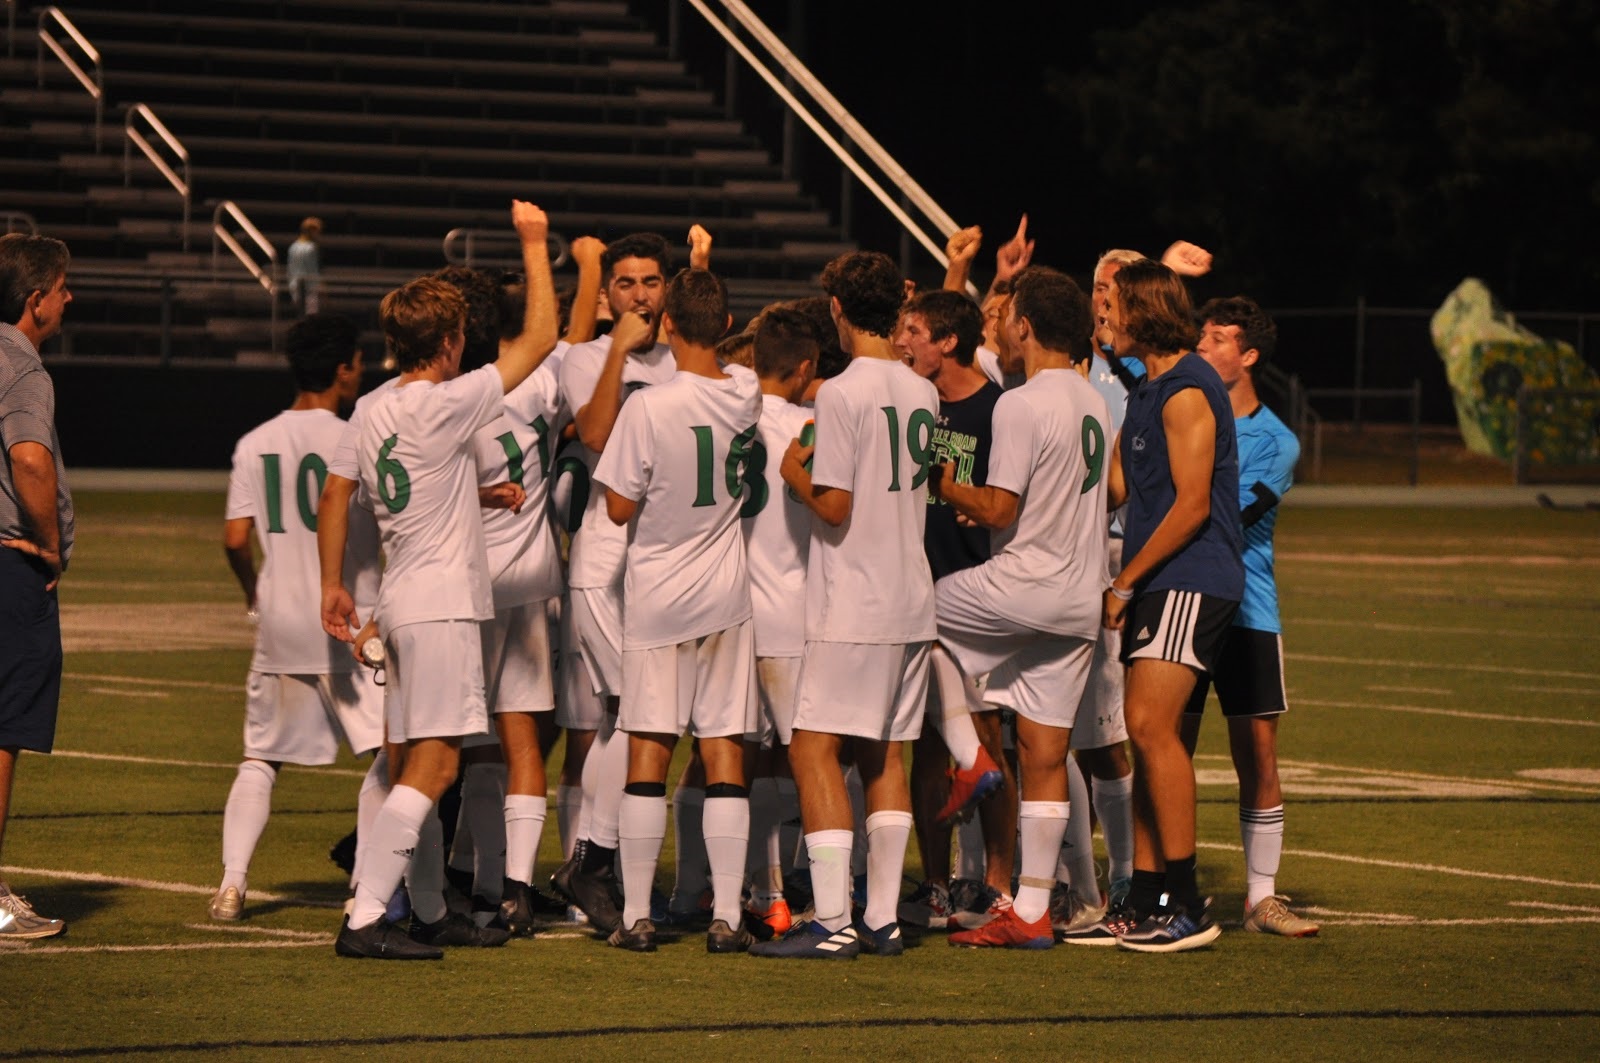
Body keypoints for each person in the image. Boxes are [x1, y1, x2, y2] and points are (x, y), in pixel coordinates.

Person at [331, 200, 558, 960]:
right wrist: (535, 245)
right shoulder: (450, 400)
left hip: (399, 600)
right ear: (451, 340)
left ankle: (425, 908)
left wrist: (476, 492)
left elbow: (361, 490)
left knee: (407, 762)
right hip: (441, 606)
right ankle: (366, 915)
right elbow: (542, 340)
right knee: (435, 765)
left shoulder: (372, 409)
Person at [753, 251, 938, 959]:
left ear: (837, 309)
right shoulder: (920, 389)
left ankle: (831, 921)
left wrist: (793, 473)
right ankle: (883, 918)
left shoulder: (840, 392)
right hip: (910, 598)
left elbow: (833, 506)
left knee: (813, 748)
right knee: (887, 752)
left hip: (854, 600)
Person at [929, 266, 1110, 949]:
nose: (996, 325)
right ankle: (1032, 908)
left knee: (910, 614)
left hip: (1026, 583)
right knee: (1042, 751)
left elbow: (998, 504)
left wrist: (947, 484)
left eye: (1006, 317)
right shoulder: (1090, 400)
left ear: (1026, 326)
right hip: (1077, 596)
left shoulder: (1020, 401)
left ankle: (966, 756)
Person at [594, 268, 762, 953]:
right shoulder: (745, 392)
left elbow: (616, 506)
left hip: (659, 596)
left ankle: (636, 914)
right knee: (723, 749)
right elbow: (745, 376)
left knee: (648, 749)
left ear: (666, 326)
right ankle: (726, 914)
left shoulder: (649, 405)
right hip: (726, 594)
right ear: (725, 326)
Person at [1093, 257, 1243, 954]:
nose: (1105, 315)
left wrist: (1125, 581)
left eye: (1113, 304)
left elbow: (1191, 507)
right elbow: (1116, 485)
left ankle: (1186, 902)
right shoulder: (1149, 389)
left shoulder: (1187, 387)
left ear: (1144, 311)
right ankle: (1150, 895)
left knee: (1151, 727)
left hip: (1189, 574)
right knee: (1152, 734)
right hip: (1162, 577)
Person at [211, 314, 382, 923]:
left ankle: (232, 885)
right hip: (351, 620)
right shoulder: (356, 435)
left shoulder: (255, 442)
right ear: (342, 369)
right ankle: (366, 886)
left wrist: (254, 591)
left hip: (283, 619)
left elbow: (235, 537)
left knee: (260, 758)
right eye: (359, 361)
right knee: (391, 754)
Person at [550, 232, 678, 933]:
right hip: (604, 562)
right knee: (634, 711)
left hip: (663, 568)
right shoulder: (584, 356)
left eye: (651, 282)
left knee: (621, 721)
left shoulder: (685, 357)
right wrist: (620, 354)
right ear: (607, 295)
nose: (639, 295)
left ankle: (594, 865)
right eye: (625, 283)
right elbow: (596, 431)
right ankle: (590, 862)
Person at [1186, 296, 1318, 938]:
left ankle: (1261, 897)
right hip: (1180, 594)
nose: (1204, 347)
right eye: (1202, 337)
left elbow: (1221, 519)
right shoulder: (1188, 414)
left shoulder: (1277, 441)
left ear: (1248, 356)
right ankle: (1162, 886)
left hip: (1246, 608)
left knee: (1257, 752)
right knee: (1165, 743)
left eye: (1217, 339)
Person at [892, 289, 1013, 932]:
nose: (901, 341)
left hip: (976, 594)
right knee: (927, 749)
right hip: (918, 590)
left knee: (987, 743)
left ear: (947, 342)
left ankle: (996, 884)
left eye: (914, 330)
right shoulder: (910, 404)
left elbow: (1006, 501)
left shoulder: (998, 412)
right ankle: (936, 885)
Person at [0, 232, 73, 941]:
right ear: (34, 300)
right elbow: (29, 459)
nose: (68, 297)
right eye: (60, 285)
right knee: (1, 729)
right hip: (7, 568)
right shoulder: (22, 367)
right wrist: (50, 546)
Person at [738, 306, 819, 937]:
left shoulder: (728, 419)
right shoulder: (811, 425)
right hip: (792, 610)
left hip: (733, 610)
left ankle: (761, 894)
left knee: (743, 758)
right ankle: (831, 891)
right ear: (806, 367)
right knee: (810, 757)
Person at [287, 217, 323, 316]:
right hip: (309, 287)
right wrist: (319, 287)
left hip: (294, 286)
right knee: (311, 318)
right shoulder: (311, 248)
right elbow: (313, 270)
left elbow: (290, 270)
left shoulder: (293, 247)